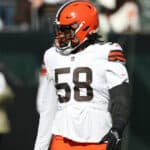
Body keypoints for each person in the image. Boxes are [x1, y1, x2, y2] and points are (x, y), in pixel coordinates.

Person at [34, 1, 131, 150]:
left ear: (85, 28)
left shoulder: (106, 52)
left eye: (66, 31)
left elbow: (121, 97)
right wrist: (40, 147)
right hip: (62, 137)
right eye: (59, 30)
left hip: (98, 136)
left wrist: (117, 128)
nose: (60, 35)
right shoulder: (52, 56)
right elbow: (48, 107)